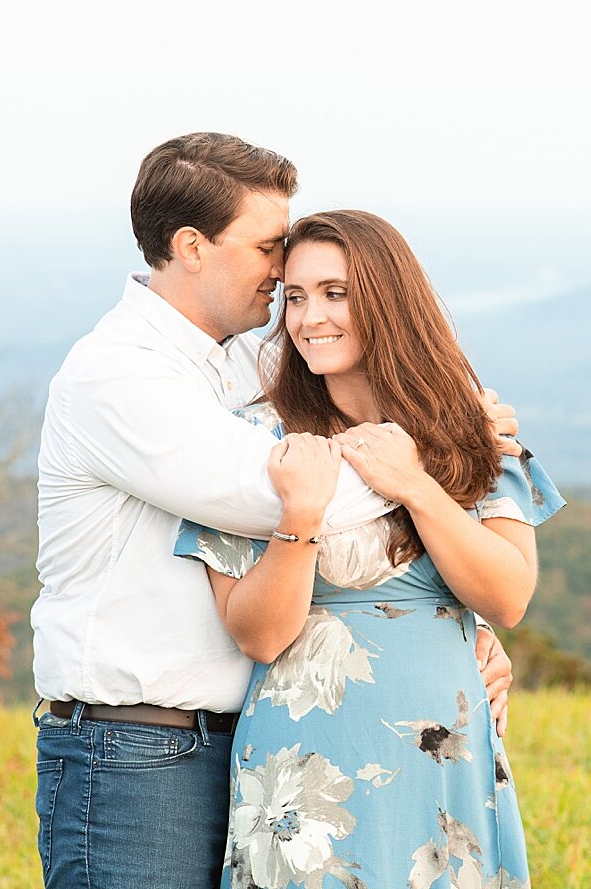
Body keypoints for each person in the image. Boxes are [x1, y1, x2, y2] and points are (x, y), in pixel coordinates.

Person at [32, 134, 521, 889]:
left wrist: (458, 630)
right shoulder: (121, 376)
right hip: (134, 748)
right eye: (269, 251)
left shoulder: (231, 365)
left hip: (237, 739)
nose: (281, 277)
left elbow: (428, 564)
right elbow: (279, 494)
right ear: (192, 246)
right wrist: (447, 449)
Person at [174, 210, 563, 889]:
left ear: (387, 300)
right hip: (302, 770)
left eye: (335, 292)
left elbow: (507, 597)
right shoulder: (253, 442)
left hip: (443, 755)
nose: (308, 317)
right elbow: (259, 636)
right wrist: (301, 514)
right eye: (293, 297)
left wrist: (414, 484)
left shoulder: (472, 431)